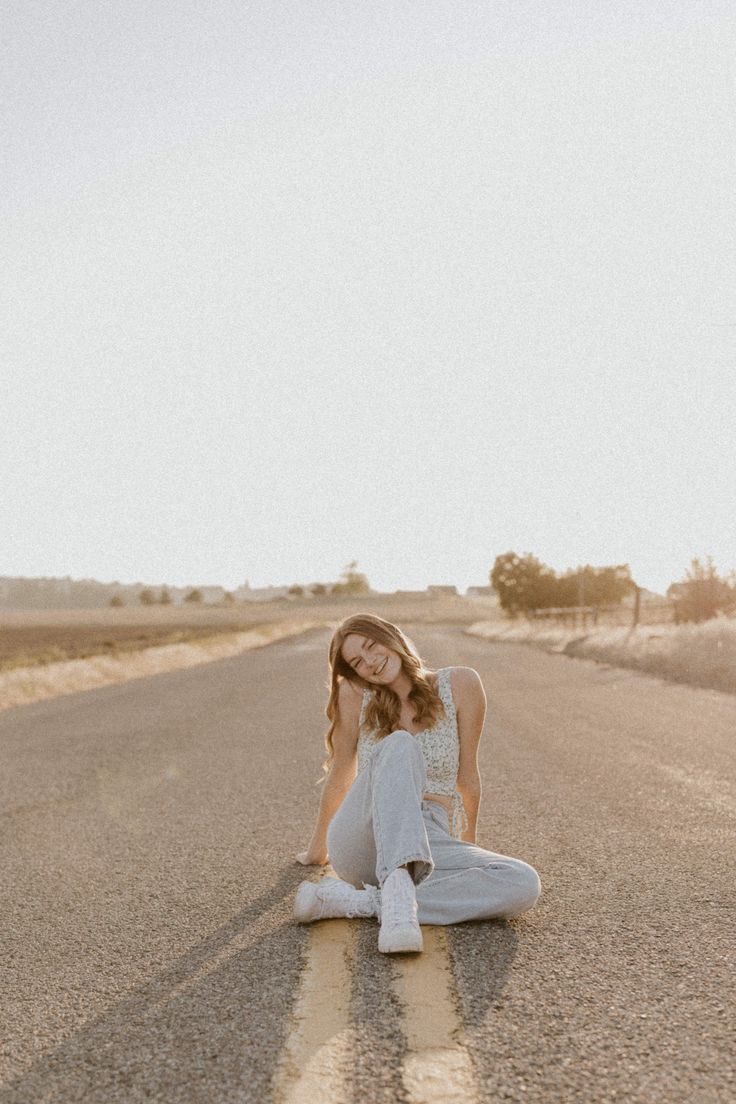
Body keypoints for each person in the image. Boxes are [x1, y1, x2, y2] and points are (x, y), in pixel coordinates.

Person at [294, 613, 541, 953]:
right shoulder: (354, 693)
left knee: (523, 882)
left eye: (371, 646)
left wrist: (468, 844)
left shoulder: (460, 685)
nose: (370, 662)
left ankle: (367, 903)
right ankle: (394, 894)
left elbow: (467, 776)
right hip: (366, 836)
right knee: (399, 744)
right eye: (357, 661)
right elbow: (340, 773)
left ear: (392, 637)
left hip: (430, 837)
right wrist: (316, 851)